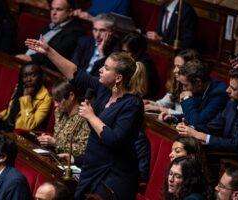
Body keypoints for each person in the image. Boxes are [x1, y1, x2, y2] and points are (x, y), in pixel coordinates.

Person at [26, 37, 147, 199]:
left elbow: (115, 139)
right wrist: (49, 52)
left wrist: (91, 116)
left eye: (106, 68)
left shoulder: (133, 104)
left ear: (118, 78)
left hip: (114, 176)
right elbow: (75, 74)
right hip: (92, 167)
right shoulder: (105, 90)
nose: (100, 70)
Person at [176, 67, 238, 166]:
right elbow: (213, 127)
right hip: (227, 157)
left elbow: (237, 144)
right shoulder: (232, 103)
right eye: (229, 86)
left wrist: (201, 136)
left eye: (233, 88)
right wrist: (190, 128)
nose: (227, 90)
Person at [16, 0, 85, 70]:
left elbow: (58, 53)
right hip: (25, 61)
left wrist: (31, 58)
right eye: (52, 9)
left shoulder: (75, 32)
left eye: (59, 9)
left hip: (42, 68)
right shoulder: (50, 25)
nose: (54, 13)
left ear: (70, 12)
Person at [37, 79, 89, 156]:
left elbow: (81, 150)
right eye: (54, 100)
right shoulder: (59, 111)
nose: (55, 105)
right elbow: (57, 137)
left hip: (70, 163)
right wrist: (46, 141)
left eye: (58, 100)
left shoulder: (85, 116)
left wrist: (55, 143)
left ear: (71, 96)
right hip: (55, 155)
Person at [0, 63, 52, 132]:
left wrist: (26, 98)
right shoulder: (19, 87)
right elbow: (13, 108)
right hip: (6, 124)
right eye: (25, 76)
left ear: (41, 76)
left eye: (33, 75)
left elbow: (29, 126)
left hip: (18, 132)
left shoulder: (46, 98)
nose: (29, 79)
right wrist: (1, 115)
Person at [144, 49, 199, 118]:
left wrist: (162, 109)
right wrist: (149, 103)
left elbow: (186, 116)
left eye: (179, 67)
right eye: (175, 66)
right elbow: (164, 103)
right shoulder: (177, 83)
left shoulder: (196, 88)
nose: (174, 70)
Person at [173, 59, 228, 126]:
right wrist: (174, 118)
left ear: (198, 82)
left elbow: (197, 123)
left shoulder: (219, 94)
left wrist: (187, 99)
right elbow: (193, 113)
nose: (184, 89)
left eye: (185, 85)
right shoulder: (199, 88)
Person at [121, 32, 158, 99]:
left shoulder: (146, 65)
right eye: (123, 51)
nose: (124, 55)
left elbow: (140, 92)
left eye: (127, 52)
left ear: (137, 51)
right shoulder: (130, 60)